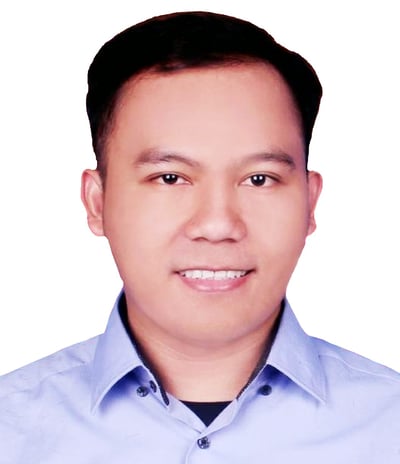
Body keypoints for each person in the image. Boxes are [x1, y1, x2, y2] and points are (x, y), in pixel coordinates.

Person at [0, 11, 399, 463]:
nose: (217, 225)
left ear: (310, 203)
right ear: (97, 202)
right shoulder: (11, 429)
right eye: (170, 178)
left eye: (259, 179)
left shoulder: (390, 426)